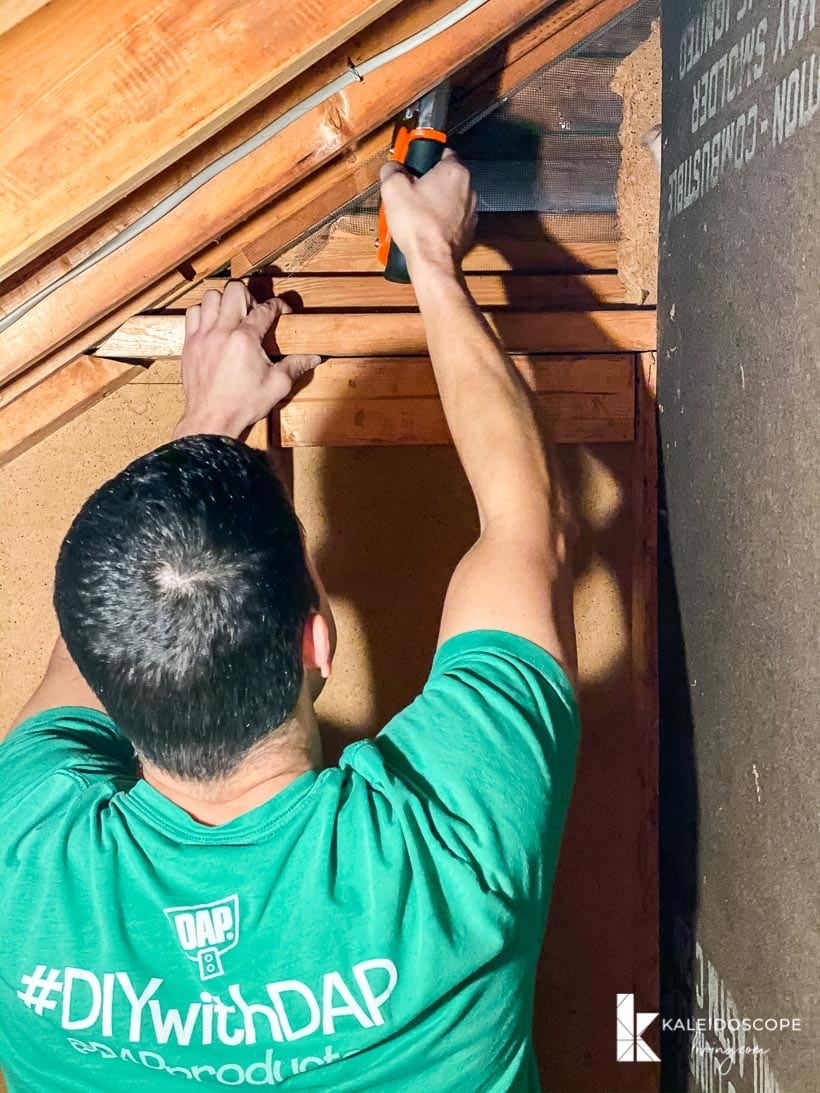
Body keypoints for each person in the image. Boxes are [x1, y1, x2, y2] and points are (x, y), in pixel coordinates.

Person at [0, 152, 579, 1092]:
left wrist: (210, 422)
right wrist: (430, 253)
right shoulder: (450, 846)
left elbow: (102, 620)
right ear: (319, 641)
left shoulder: (16, 863)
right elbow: (524, 523)